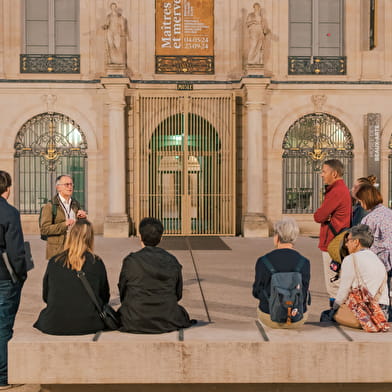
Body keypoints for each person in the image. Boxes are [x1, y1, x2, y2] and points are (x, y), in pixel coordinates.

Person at [34, 220, 110, 335]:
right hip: (89, 323)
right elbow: (104, 296)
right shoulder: (96, 262)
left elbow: (46, 296)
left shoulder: (55, 261)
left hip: (54, 323)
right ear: (90, 238)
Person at [118, 217, 194, 333]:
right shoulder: (172, 261)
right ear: (161, 238)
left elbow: (123, 290)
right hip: (167, 318)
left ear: (140, 237)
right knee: (182, 313)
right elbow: (178, 294)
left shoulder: (131, 261)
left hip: (134, 318)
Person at [252, 218, 311, 329]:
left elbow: (256, 292)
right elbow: (304, 291)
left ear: (277, 237)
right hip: (297, 317)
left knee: (262, 311)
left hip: (269, 317)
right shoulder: (304, 262)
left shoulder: (263, 261)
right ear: (294, 237)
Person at [0, 170, 27, 389]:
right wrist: (21, 274)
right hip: (4, 276)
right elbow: (16, 251)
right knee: (2, 326)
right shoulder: (9, 213)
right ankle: (1, 377)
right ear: (7, 189)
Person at [313, 159, 351, 307]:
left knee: (333, 282)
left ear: (334, 173)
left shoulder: (335, 191)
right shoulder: (341, 189)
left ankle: (336, 313)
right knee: (337, 279)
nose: (321, 175)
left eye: (324, 171)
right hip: (337, 241)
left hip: (332, 243)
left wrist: (324, 216)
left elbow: (319, 216)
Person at [333, 224, 389, 323]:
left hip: (365, 313)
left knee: (326, 316)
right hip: (382, 313)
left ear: (356, 242)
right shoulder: (377, 259)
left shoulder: (351, 259)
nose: (346, 244)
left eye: (348, 240)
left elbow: (343, 291)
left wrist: (334, 309)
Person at [355, 184, 392, 320]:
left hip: (380, 260)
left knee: (381, 292)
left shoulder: (369, 219)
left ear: (365, 200)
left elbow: (364, 244)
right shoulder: (389, 213)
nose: (360, 204)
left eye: (360, 201)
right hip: (389, 257)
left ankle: (380, 318)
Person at [40, 174, 87, 260]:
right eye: (66, 184)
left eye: (71, 184)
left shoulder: (75, 204)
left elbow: (81, 227)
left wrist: (82, 218)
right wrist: (64, 224)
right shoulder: (50, 206)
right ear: (58, 188)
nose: (70, 187)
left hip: (74, 248)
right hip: (57, 251)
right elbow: (44, 229)